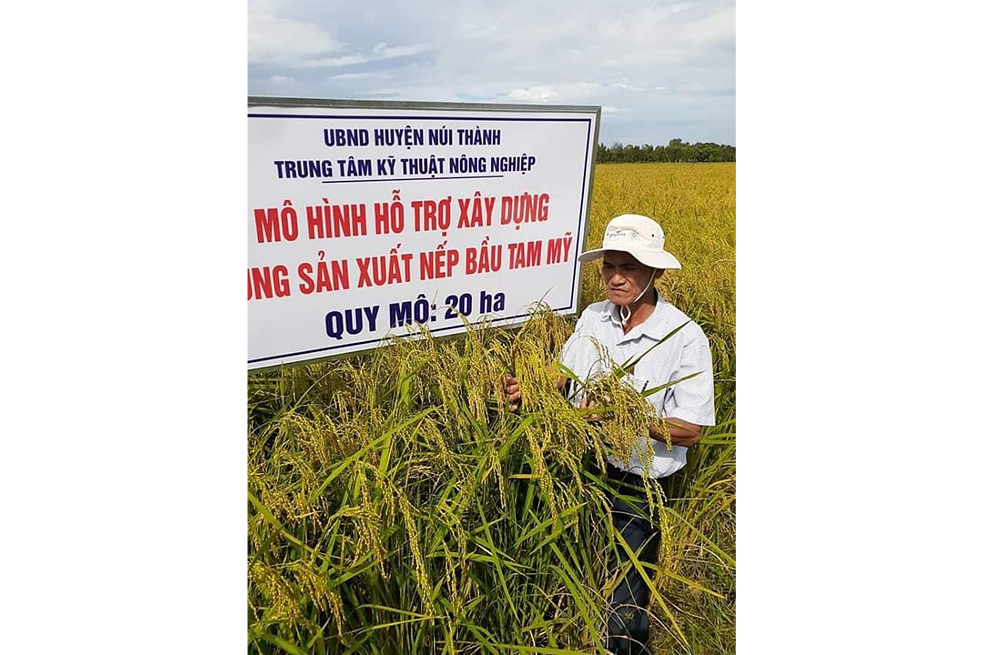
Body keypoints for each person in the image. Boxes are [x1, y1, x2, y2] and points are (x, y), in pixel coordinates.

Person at [503, 214, 715, 655]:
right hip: (579, 467)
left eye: (629, 268)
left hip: (637, 485)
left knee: (625, 592)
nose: (615, 278)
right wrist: (531, 386)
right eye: (609, 267)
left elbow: (690, 430)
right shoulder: (594, 316)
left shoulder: (684, 336)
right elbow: (564, 373)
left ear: (655, 273)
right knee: (577, 567)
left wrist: (623, 416)